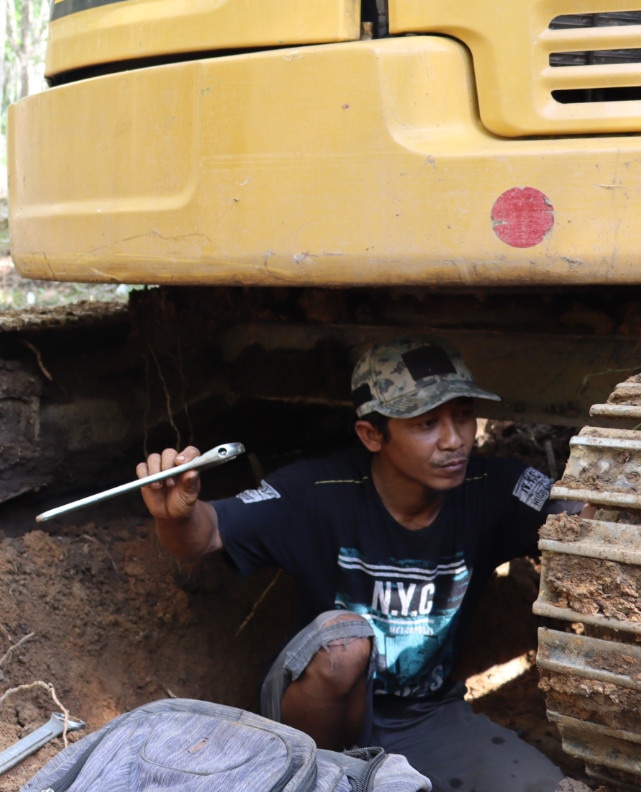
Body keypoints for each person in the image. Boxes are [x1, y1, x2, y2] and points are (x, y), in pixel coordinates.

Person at [137, 336, 570, 792]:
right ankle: (314, 778)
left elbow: (579, 523)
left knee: (544, 788)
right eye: (426, 423)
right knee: (342, 645)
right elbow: (204, 534)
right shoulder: (317, 490)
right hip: (315, 717)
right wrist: (177, 513)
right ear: (371, 434)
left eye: (463, 415)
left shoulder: (496, 486)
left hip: (428, 717)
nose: (454, 439)